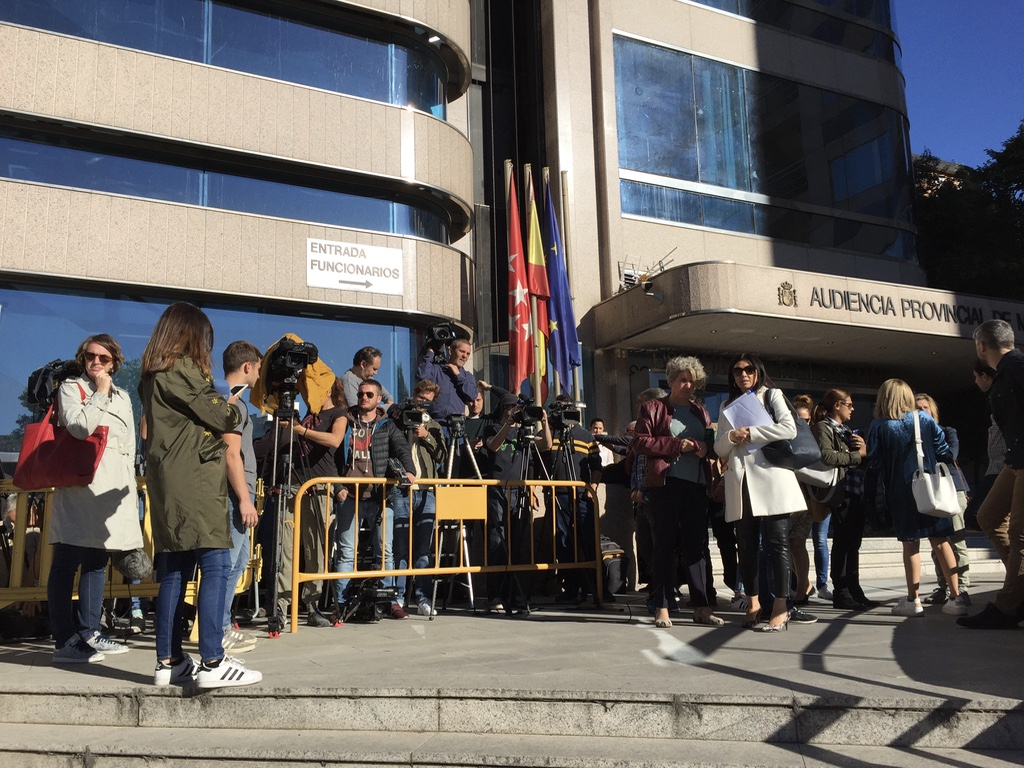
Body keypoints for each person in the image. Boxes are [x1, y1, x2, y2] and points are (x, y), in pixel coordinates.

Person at [140, 302, 261, 688]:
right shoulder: (182, 369)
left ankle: (169, 661)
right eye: (204, 337)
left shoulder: (151, 375)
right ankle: (213, 660)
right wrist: (230, 402)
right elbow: (223, 416)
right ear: (190, 335)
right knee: (216, 564)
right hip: (195, 479)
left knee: (175, 570)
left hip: (168, 481)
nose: (206, 346)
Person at [47, 334, 141, 663]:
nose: (96, 362)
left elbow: (128, 449)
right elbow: (79, 428)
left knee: (97, 562)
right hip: (80, 489)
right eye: (90, 356)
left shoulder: (124, 396)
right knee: (66, 562)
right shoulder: (71, 388)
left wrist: (129, 496)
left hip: (110, 496)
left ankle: (90, 631)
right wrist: (99, 393)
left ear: (115, 362)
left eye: (103, 358)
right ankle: (64, 639)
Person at [714, 354, 807, 632]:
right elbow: (719, 448)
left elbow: (789, 429)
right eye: (737, 371)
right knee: (746, 545)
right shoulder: (726, 405)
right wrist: (731, 437)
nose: (743, 374)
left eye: (749, 369)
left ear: (758, 372)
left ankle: (781, 604)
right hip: (741, 481)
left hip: (772, 478)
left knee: (777, 542)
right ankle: (753, 602)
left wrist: (752, 433)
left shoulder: (772, 395)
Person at [634, 356, 722, 628]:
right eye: (683, 380)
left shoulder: (701, 412)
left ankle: (701, 606)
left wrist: (707, 449)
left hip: (696, 485)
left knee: (697, 547)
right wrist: (675, 445)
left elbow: (710, 442)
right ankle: (662, 606)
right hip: (666, 484)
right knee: (665, 545)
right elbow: (640, 442)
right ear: (671, 380)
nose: (688, 385)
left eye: (692, 381)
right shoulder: (653, 407)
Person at [866, 378, 965, 618]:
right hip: (929, 487)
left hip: (901, 491)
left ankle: (914, 600)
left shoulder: (879, 426)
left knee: (910, 544)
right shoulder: (925, 419)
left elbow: (875, 461)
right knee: (941, 540)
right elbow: (943, 450)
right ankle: (956, 597)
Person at [332, 379, 416, 619]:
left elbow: (402, 448)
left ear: (379, 399)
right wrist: (337, 486)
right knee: (346, 552)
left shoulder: (387, 425)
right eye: (361, 394)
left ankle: (389, 601)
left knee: (385, 552)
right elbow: (332, 456)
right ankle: (341, 603)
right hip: (349, 496)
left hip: (380, 497)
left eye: (369, 394)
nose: (364, 398)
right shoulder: (345, 421)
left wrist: (409, 471)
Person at [959, 319, 1024, 629]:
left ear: (981, 346)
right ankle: (1019, 590)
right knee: (988, 516)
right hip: (1016, 460)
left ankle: (1008, 606)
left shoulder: (1017, 365)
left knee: (1019, 533)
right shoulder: (1004, 373)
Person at [277, 376, 348, 627]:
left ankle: (312, 605)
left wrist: (302, 431)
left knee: (315, 548)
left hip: (319, 487)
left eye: (311, 388)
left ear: (326, 389)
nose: (307, 393)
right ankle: (281, 605)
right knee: (286, 546)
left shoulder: (339, 413)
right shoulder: (307, 413)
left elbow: (335, 440)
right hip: (294, 482)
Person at [484, 394, 552, 612]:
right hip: (498, 490)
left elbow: (547, 445)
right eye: (510, 407)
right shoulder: (493, 427)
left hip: (520, 490)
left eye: (517, 407)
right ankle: (495, 595)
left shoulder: (525, 431)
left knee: (518, 543)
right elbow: (494, 446)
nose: (514, 410)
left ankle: (516, 594)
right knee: (498, 541)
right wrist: (508, 423)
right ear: (503, 409)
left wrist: (544, 422)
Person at [810, 389, 870, 610]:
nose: (852, 409)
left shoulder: (845, 429)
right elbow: (826, 456)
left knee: (853, 543)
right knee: (843, 543)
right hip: (839, 492)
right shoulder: (822, 428)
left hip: (855, 490)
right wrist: (857, 455)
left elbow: (857, 459)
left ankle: (854, 589)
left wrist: (863, 450)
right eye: (849, 405)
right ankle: (841, 592)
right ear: (837, 405)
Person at [220, 341, 262, 652]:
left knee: (237, 563)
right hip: (234, 494)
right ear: (247, 367)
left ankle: (221, 623)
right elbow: (231, 454)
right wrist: (244, 499)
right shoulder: (230, 402)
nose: (259, 376)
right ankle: (218, 629)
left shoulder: (236, 401)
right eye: (258, 369)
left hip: (241, 492)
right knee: (226, 565)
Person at [392, 380, 446, 616]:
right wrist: (401, 420)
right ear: (414, 396)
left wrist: (426, 436)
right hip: (402, 490)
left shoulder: (434, 425)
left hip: (426, 490)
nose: (423, 403)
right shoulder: (398, 420)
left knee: (423, 549)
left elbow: (442, 455)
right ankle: (398, 597)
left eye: (428, 401)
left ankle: (423, 597)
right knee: (400, 547)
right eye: (420, 398)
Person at [544, 396, 603, 606]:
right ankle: (570, 588)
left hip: (582, 495)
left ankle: (598, 587)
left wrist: (593, 487)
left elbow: (596, 465)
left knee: (588, 540)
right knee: (563, 541)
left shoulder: (585, 435)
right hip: (557, 495)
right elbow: (540, 460)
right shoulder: (550, 434)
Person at [914, 392, 971, 606]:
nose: (921, 412)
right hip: (928, 491)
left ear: (932, 410)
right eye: (917, 408)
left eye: (925, 407)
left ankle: (962, 587)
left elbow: (950, 455)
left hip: (952, 489)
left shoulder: (947, 432)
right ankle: (944, 586)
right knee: (937, 541)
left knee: (956, 540)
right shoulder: (914, 437)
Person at [964, 361, 1005, 531]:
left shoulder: (1004, 396)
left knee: (977, 515)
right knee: (983, 517)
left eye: (976, 377)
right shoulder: (995, 397)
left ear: (984, 376)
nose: (975, 381)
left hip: (1005, 466)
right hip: (997, 467)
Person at [417, 337, 478, 421]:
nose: (465, 356)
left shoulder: (468, 377)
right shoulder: (437, 370)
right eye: (462, 351)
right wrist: (430, 352)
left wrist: (458, 375)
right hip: (435, 422)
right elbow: (422, 376)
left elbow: (472, 395)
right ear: (451, 351)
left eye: (468, 354)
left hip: (456, 424)